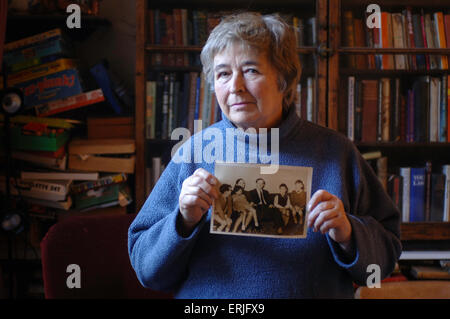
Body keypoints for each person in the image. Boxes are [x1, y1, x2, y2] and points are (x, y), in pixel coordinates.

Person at [128, 12, 402, 298]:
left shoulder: (336, 152)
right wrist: (182, 220)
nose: (235, 86)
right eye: (223, 74)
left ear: (283, 79)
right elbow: (147, 272)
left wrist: (348, 234)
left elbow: (381, 265)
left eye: (251, 71)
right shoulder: (194, 152)